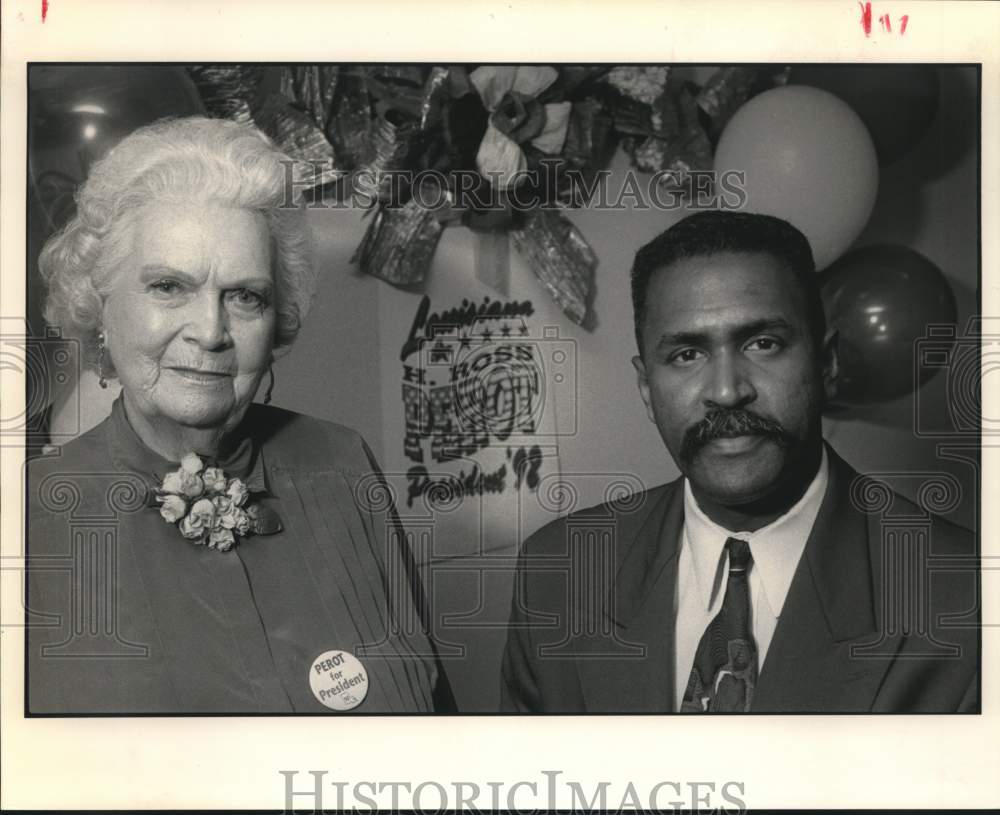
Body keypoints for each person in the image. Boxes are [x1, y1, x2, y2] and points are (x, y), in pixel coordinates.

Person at [27, 116, 453, 713]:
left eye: (244, 296)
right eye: (169, 286)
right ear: (100, 308)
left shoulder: (341, 463)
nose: (210, 332)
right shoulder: (28, 517)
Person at [501, 211, 978, 713]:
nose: (727, 391)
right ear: (647, 389)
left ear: (826, 364)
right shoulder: (556, 573)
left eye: (763, 344)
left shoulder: (967, 598)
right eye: (687, 354)